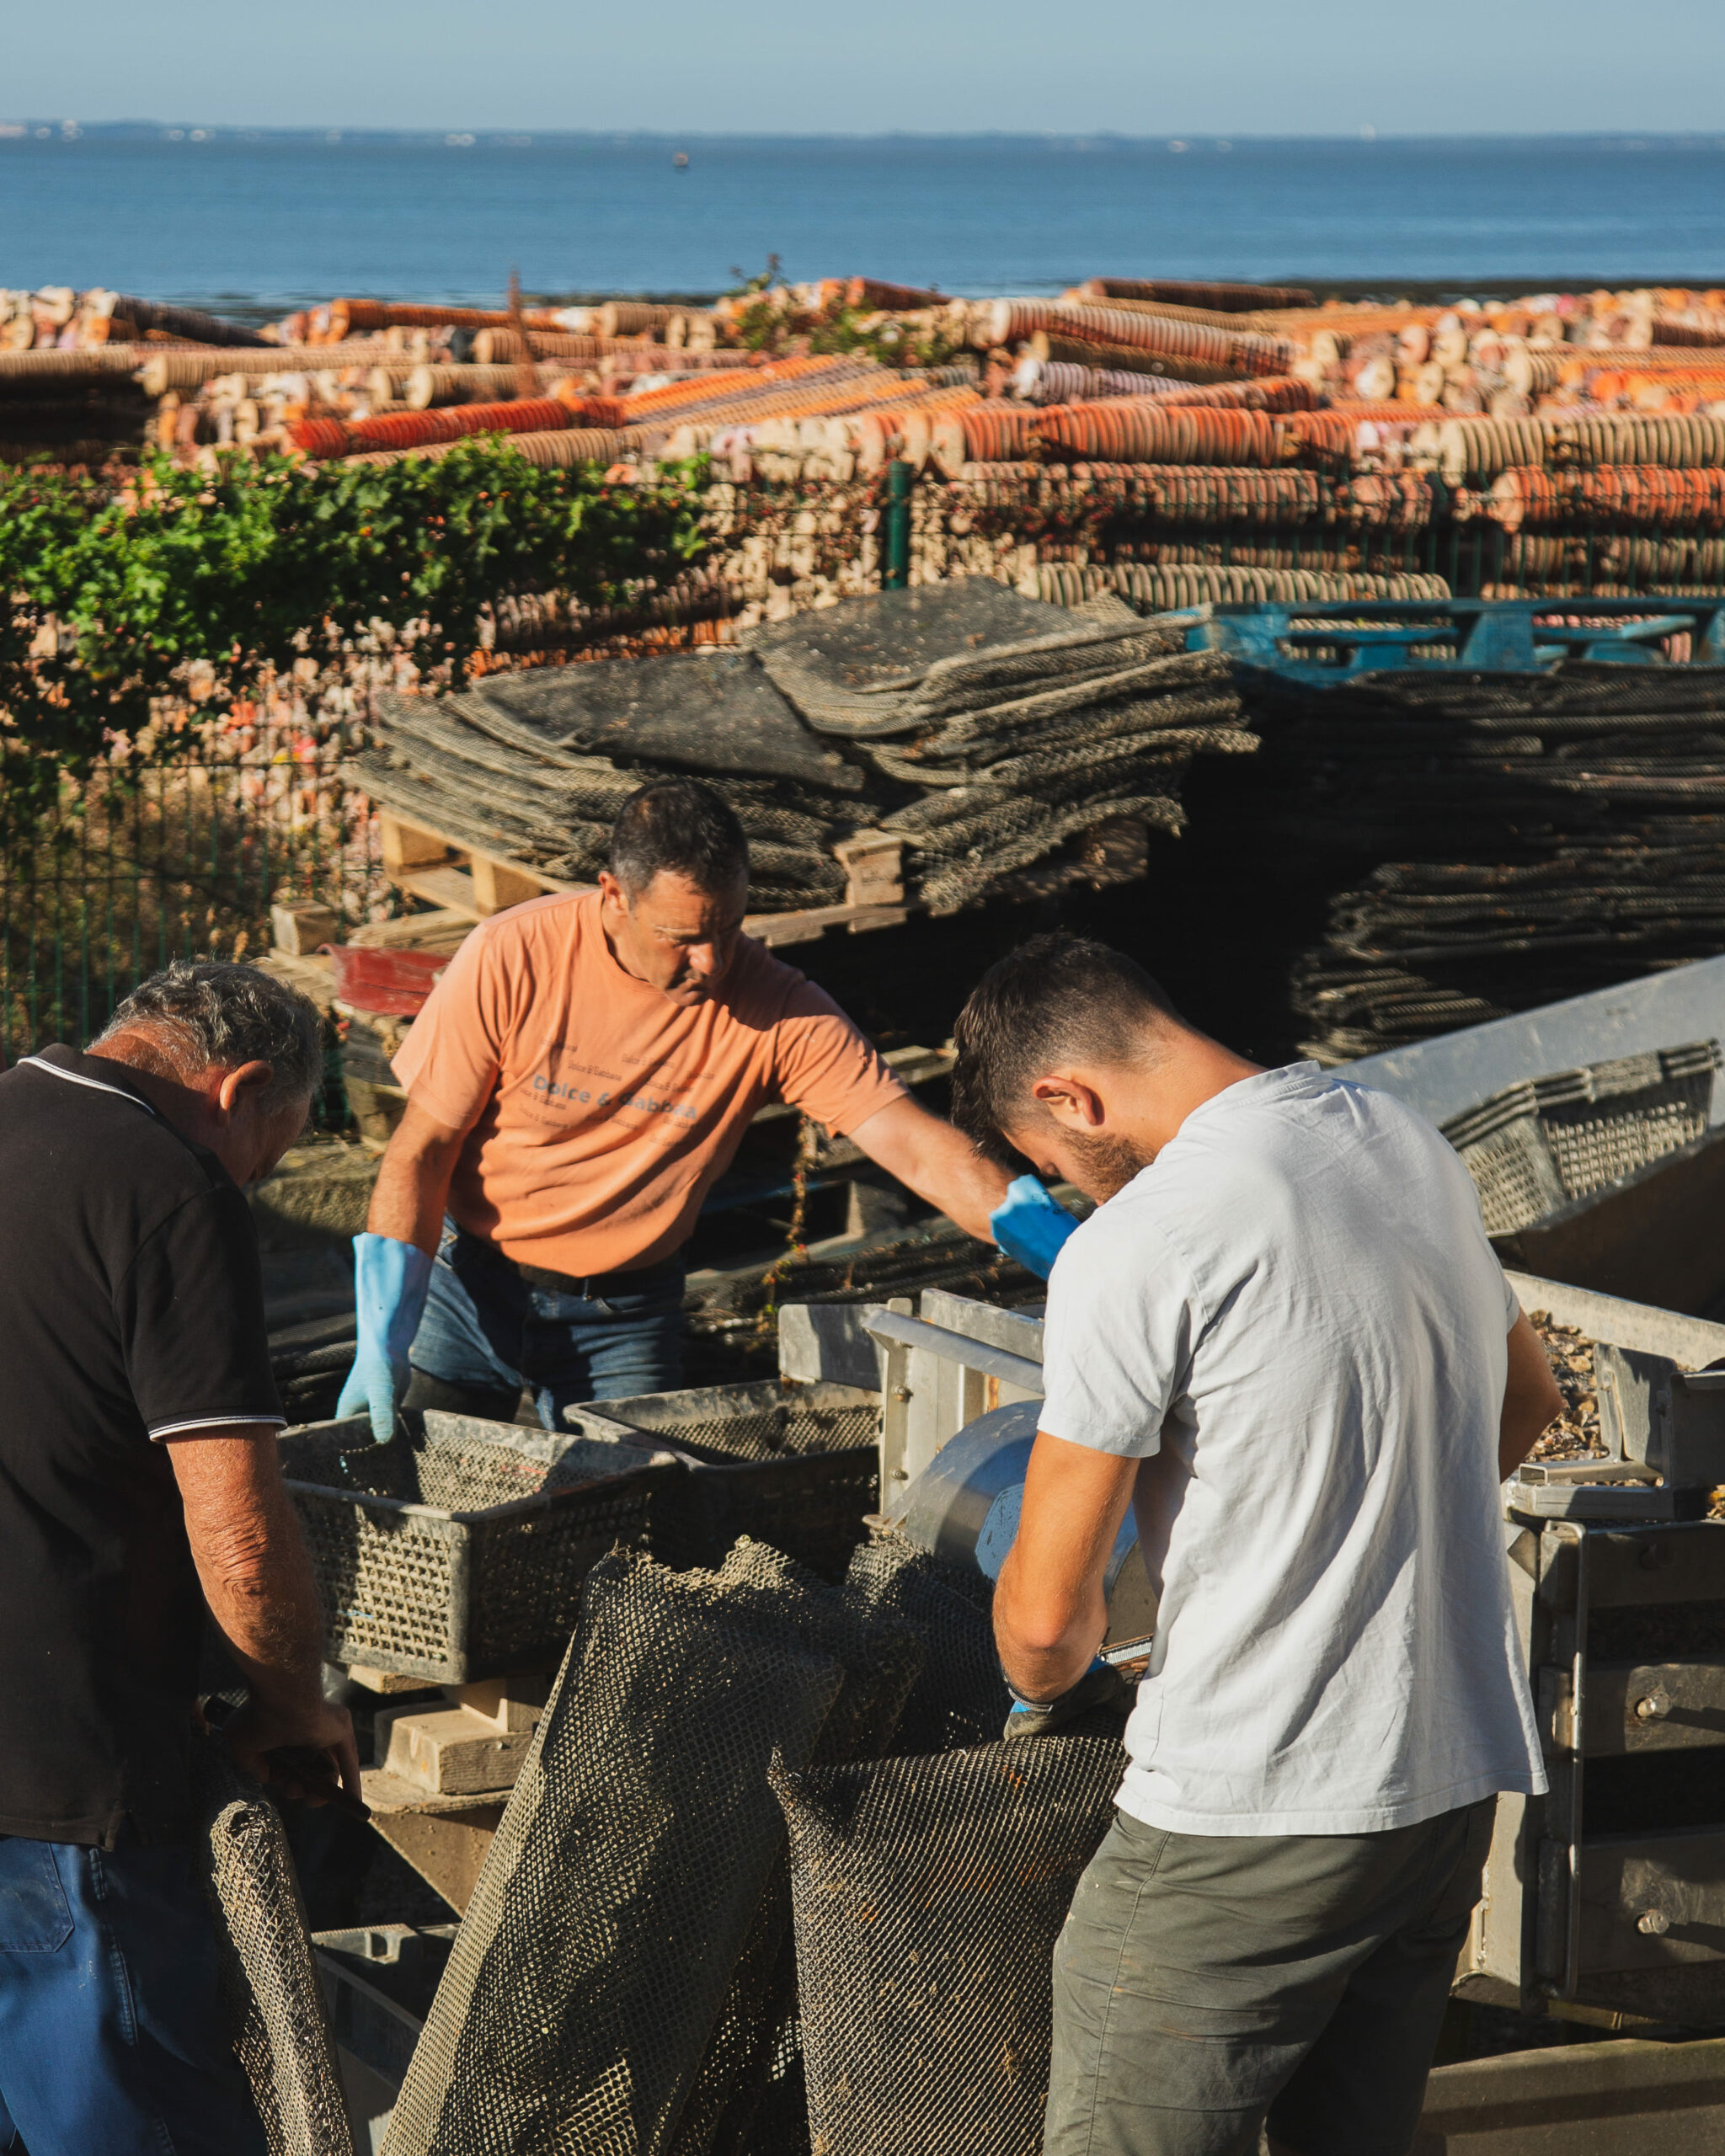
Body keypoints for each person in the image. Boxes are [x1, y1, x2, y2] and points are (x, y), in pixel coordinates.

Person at [952, 933, 1563, 2156]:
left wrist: (1042, 1686)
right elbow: (1531, 1401)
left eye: (1057, 1165)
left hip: (1251, 1808)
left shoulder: (1143, 1241)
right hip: (1443, 1787)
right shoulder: (1399, 1138)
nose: (1078, 1192)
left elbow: (1040, 1625)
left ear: (1068, 1096)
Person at [339, 777, 1071, 1439]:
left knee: (623, 1537)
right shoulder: (513, 955)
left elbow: (916, 1146)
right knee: (412, 1492)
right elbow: (423, 1147)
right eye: (682, 938)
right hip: (468, 1287)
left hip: (626, 1315)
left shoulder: (777, 1009)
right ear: (612, 896)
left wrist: (1070, 1257)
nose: (712, 962)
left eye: (728, 928)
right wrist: (384, 1323)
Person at [0, 961, 362, 2156]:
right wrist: (290, 1704)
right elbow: (243, 1533)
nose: (249, 1181)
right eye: (266, 1150)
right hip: (62, 1758)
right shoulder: (165, 1185)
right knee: (122, 2102)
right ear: (241, 1086)